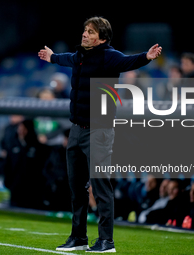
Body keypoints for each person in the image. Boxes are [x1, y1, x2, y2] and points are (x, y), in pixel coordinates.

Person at [38, 16, 161, 253]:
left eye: (91, 31)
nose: (85, 34)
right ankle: (78, 237)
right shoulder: (80, 56)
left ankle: (106, 241)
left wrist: (146, 56)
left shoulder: (109, 56)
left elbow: (129, 62)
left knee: (101, 187)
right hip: (76, 130)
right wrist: (52, 57)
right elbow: (65, 59)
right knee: (76, 188)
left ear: (102, 38)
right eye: (85, 30)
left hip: (99, 131)